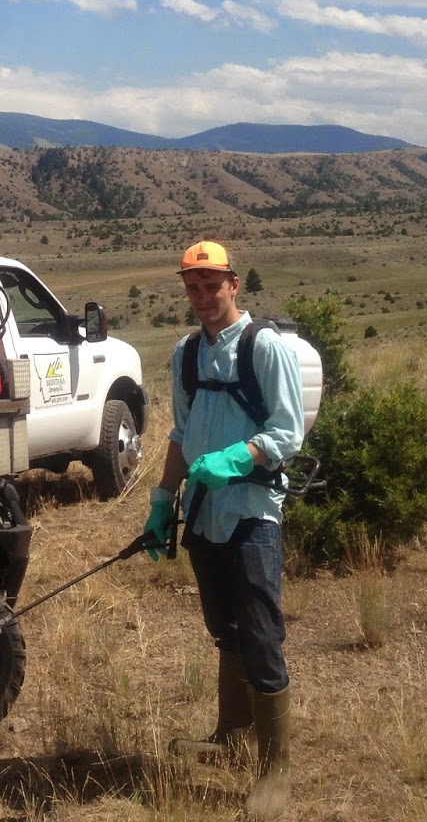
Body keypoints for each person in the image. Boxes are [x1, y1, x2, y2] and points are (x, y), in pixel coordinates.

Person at [144, 240, 305, 821]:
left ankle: (274, 769)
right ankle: (231, 737)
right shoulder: (186, 353)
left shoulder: (265, 347)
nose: (203, 296)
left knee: (260, 634)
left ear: (234, 284)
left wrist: (237, 458)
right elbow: (181, 434)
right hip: (204, 512)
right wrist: (163, 500)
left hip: (252, 512)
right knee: (225, 628)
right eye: (193, 287)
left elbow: (288, 432)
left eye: (212, 285)